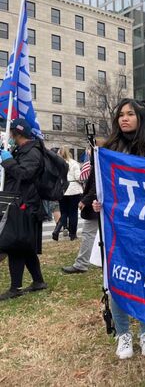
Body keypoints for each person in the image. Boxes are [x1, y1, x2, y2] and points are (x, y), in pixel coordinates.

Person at [92, 98, 145, 359]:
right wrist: (96, 202)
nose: (124, 118)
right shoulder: (109, 149)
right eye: (121, 114)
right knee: (117, 279)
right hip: (118, 226)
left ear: (142, 118)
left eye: (130, 114)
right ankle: (123, 334)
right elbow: (100, 186)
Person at [0, 118, 47, 301]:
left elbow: (25, 174)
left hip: (25, 204)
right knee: (25, 245)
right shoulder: (22, 150)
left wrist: (9, 162)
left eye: (11, 133)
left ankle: (15, 288)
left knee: (15, 245)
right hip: (19, 201)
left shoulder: (33, 152)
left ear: (17, 134)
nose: (9, 136)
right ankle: (38, 281)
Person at [62, 142, 105, 274]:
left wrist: (85, 200)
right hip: (98, 203)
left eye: (89, 149)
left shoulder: (100, 164)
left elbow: (96, 185)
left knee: (88, 233)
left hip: (96, 204)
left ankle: (81, 264)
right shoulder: (98, 163)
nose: (87, 152)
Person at [52, 146, 83, 241]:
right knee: (73, 213)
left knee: (64, 212)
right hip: (73, 189)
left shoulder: (57, 164)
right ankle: (73, 234)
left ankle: (57, 229)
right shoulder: (74, 163)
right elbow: (78, 177)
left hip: (62, 190)